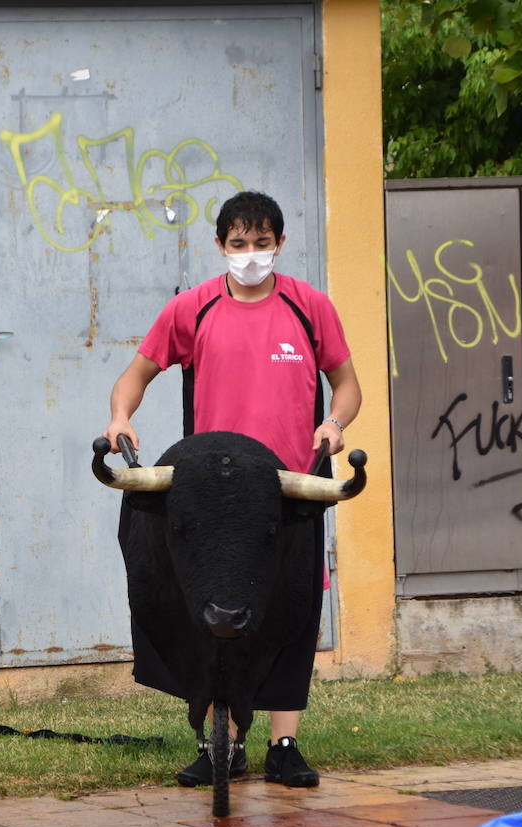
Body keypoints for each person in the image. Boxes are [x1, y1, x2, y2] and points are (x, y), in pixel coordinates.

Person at [101, 190, 361, 789]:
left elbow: (347, 384)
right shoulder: (190, 310)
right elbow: (135, 375)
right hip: (213, 495)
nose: (250, 255)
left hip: (292, 485)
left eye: (262, 244)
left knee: (294, 609)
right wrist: (120, 416)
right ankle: (222, 742)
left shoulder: (309, 307)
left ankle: (284, 744)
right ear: (219, 246)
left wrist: (335, 424)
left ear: (280, 245)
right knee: (214, 613)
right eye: (238, 244)